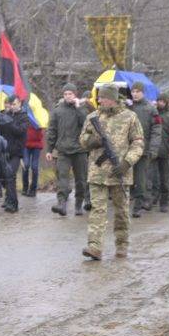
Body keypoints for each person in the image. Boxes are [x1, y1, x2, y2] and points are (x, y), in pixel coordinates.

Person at [78, 85, 144, 260]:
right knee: (97, 210)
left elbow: (138, 143)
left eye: (103, 98)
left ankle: (122, 245)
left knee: (121, 211)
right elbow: (82, 140)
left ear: (113, 98)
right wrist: (93, 141)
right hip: (97, 172)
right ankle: (95, 246)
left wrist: (126, 162)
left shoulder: (130, 117)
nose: (99, 100)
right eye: (98, 97)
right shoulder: (93, 117)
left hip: (120, 173)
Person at [46, 86, 88, 216]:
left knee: (81, 179)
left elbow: (86, 123)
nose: (68, 96)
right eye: (65, 94)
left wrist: (78, 107)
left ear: (75, 95)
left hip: (79, 150)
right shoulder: (57, 111)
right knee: (62, 178)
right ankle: (61, 204)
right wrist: (49, 149)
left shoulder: (81, 109)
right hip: (63, 150)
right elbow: (52, 130)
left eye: (70, 93)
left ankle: (78, 204)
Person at [128, 82, 162, 217]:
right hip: (127, 149)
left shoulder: (151, 109)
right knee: (126, 179)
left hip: (143, 149)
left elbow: (156, 130)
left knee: (140, 179)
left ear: (143, 92)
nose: (135, 94)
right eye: (133, 91)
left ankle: (138, 206)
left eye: (138, 91)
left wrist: (153, 148)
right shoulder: (127, 108)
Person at [0, 95, 29, 213]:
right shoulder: (6, 115)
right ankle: (9, 198)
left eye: (14, 104)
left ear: (19, 104)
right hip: (5, 151)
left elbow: (20, 131)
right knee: (3, 177)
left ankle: (13, 203)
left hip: (16, 152)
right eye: (11, 104)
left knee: (10, 175)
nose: (12, 106)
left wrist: (9, 123)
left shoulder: (24, 117)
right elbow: (0, 132)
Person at [23, 123, 44, 197]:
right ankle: (25, 187)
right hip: (25, 145)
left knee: (34, 167)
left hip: (36, 145)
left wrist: (38, 127)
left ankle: (33, 189)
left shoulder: (39, 119)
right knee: (26, 165)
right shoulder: (25, 116)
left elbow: (41, 136)